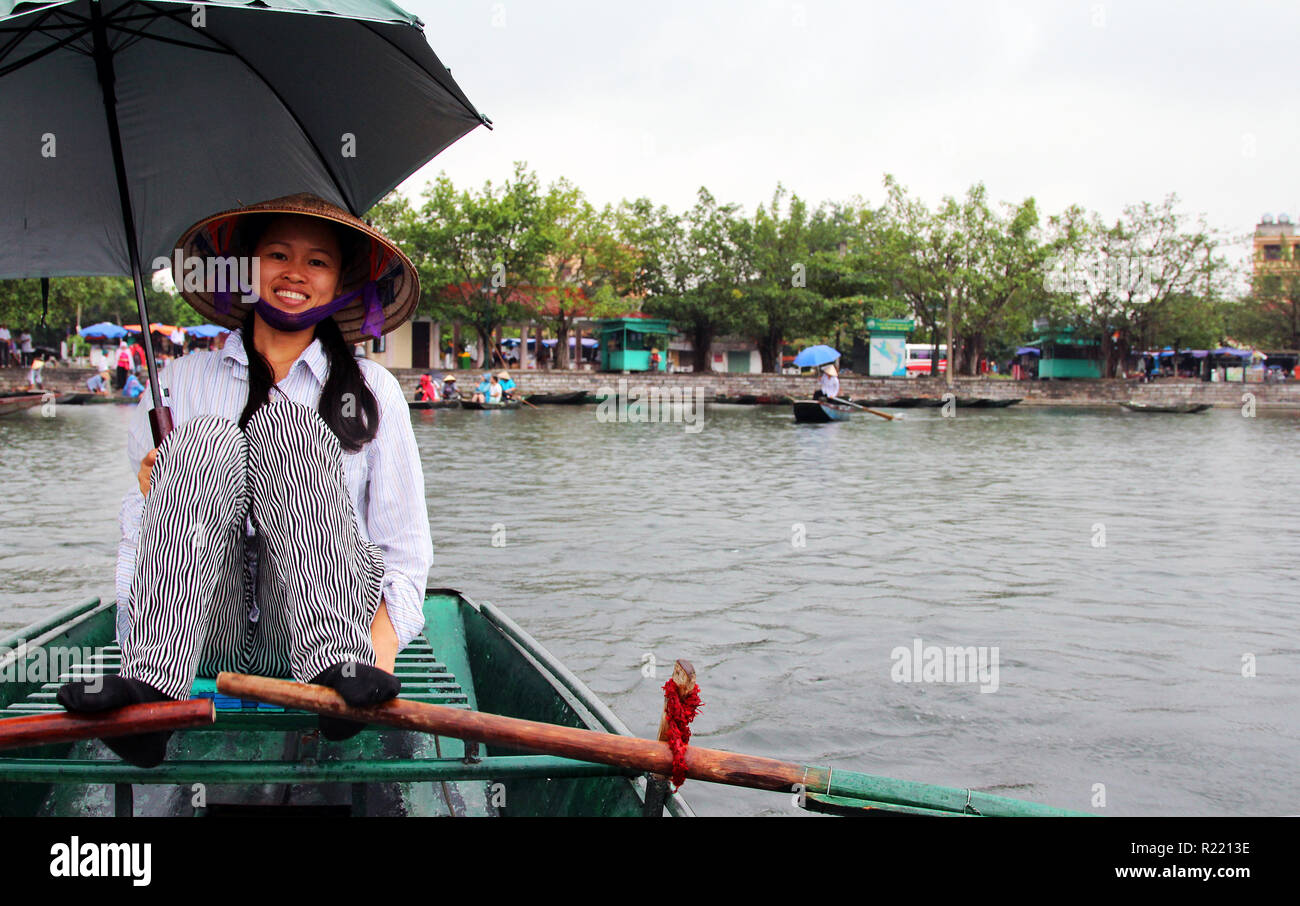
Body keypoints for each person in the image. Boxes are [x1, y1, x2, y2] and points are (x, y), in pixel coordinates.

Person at [55, 193, 432, 769]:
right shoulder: (176, 384)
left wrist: (375, 664)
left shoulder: (373, 391)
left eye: (318, 262)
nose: (295, 274)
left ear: (338, 283)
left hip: (332, 640)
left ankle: (335, 675)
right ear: (244, 269)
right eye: (277, 254)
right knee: (207, 439)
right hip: (206, 637)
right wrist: (158, 491)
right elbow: (138, 541)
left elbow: (404, 553)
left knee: (292, 431)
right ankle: (151, 688)